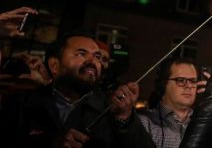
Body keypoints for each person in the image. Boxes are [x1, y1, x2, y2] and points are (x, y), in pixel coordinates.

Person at [0, 29, 154, 148]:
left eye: (97, 57)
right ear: (55, 65)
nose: (92, 61)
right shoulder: (22, 102)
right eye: (81, 54)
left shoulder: (111, 109)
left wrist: (125, 119)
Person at [137, 57, 202, 148]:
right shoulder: (144, 122)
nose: (189, 86)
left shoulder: (203, 122)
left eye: (193, 81)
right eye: (180, 80)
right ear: (163, 84)